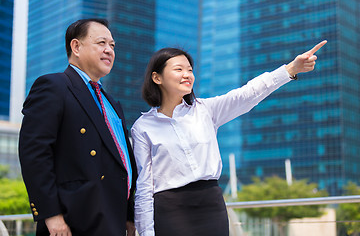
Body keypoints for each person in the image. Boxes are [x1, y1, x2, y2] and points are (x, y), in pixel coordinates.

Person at [131, 41, 327, 236]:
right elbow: (145, 185)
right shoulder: (143, 127)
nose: (187, 75)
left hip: (211, 205)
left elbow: (248, 94)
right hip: (169, 211)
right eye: (179, 69)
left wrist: (291, 69)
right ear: (157, 77)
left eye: (190, 70)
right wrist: (146, 231)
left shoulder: (206, 110)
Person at [19, 18, 137, 236]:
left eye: (112, 45)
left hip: (113, 218)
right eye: (101, 43)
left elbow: (122, 162)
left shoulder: (112, 103)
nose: (109, 50)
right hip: (73, 221)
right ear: (76, 46)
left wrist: (129, 216)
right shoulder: (54, 86)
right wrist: (51, 215)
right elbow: (34, 154)